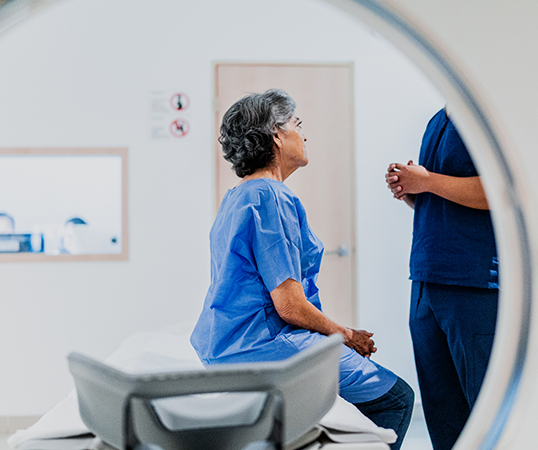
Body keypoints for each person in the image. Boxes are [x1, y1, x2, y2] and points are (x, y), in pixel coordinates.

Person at [191, 89, 414, 450]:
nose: (304, 134)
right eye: (297, 124)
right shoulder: (271, 197)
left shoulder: (238, 196)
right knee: (397, 398)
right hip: (264, 346)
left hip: (224, 346)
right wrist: (345, 335)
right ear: (276, 135)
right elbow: (289, 306)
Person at [385, 106, 499, 450]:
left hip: (472, 283)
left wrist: (428, 181)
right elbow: (440, 199)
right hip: (426, 278)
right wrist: (413, 191)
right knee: (442, 412)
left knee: (484, 412)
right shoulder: (438, 119)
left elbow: (497, 190)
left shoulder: (488, 112)